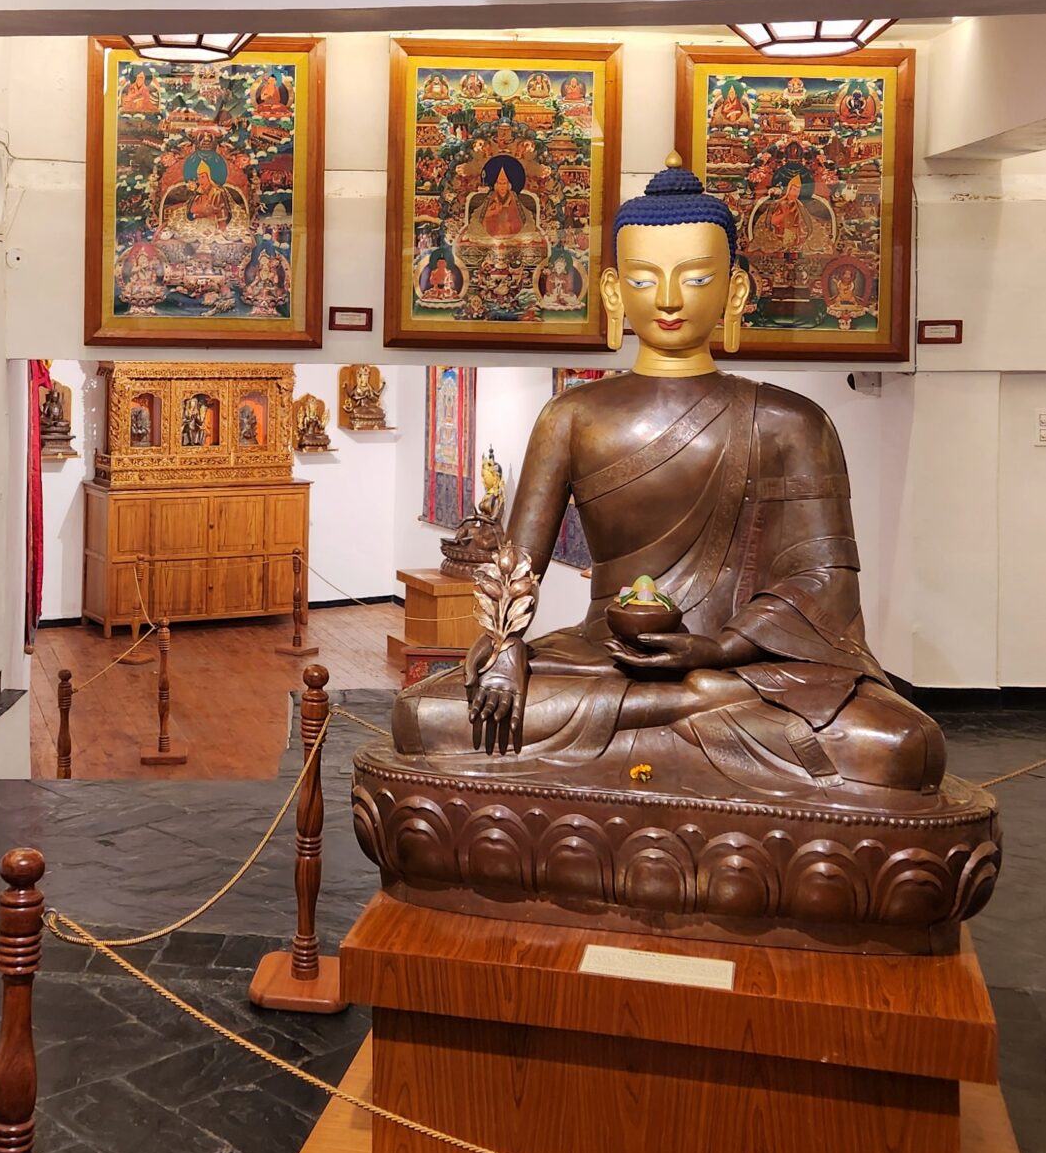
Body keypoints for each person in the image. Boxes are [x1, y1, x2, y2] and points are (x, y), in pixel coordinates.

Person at [395, 158, 947, 799]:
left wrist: (719, 651)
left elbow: (823, 584)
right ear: (611, 291)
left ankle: (689, 704)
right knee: (423, 715)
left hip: (745, 669)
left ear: (735, 291)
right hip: (603, 656)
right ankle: (688, 711)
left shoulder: (792, 421)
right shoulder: (573, 415)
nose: (667, 299)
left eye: (695, 278)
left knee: (903, 746)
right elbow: (516, 571)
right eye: (644, 278)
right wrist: (503, 651)